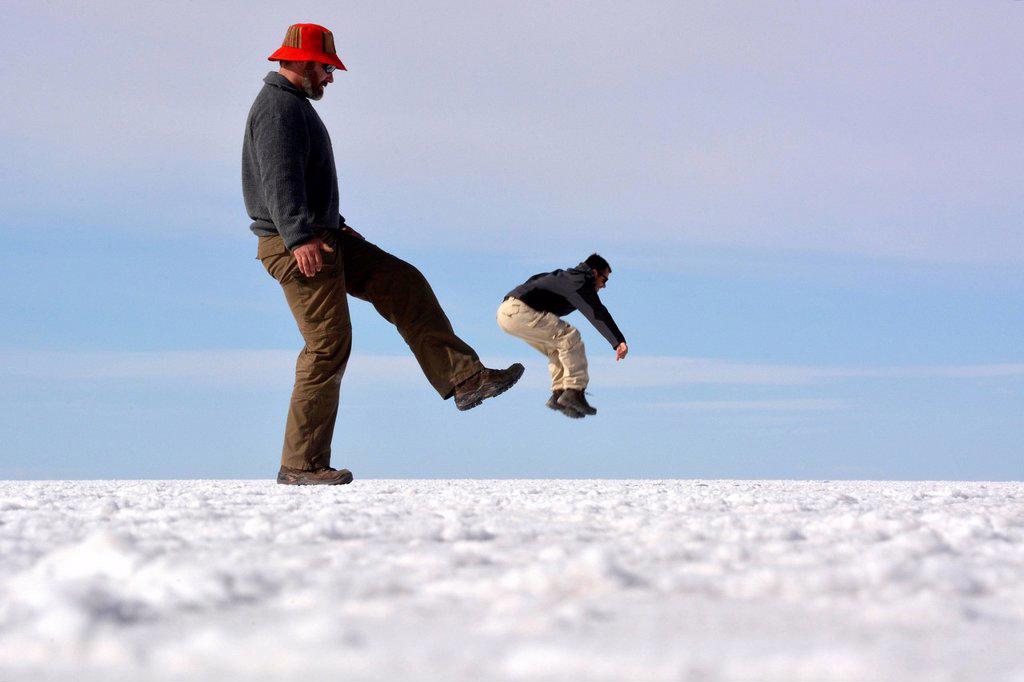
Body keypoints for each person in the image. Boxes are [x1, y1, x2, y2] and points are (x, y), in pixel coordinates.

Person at [243, 23, 524, 485]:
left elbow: (301, 180)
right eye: (326, 67)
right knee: (327, 345)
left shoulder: (292, 106)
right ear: (300, 62)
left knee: (401, 281)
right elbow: (279, 179)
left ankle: (465, 380)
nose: (331, 77)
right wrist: (297, 237)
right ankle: (301, 465)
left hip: (323, 233)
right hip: (298, 244)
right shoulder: (277, 108)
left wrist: (331, 223)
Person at [497, 254, 628, 419]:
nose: (604, 286)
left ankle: (559, 395)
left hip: (506, 313)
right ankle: (574, 391)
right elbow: (597, 312)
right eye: (605, 279)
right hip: (520, 310)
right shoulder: (579, 281)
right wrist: (618, 341)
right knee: (570, 337)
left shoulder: (564, 277)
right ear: (594, 273)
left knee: (556, 347)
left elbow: (534, 279)